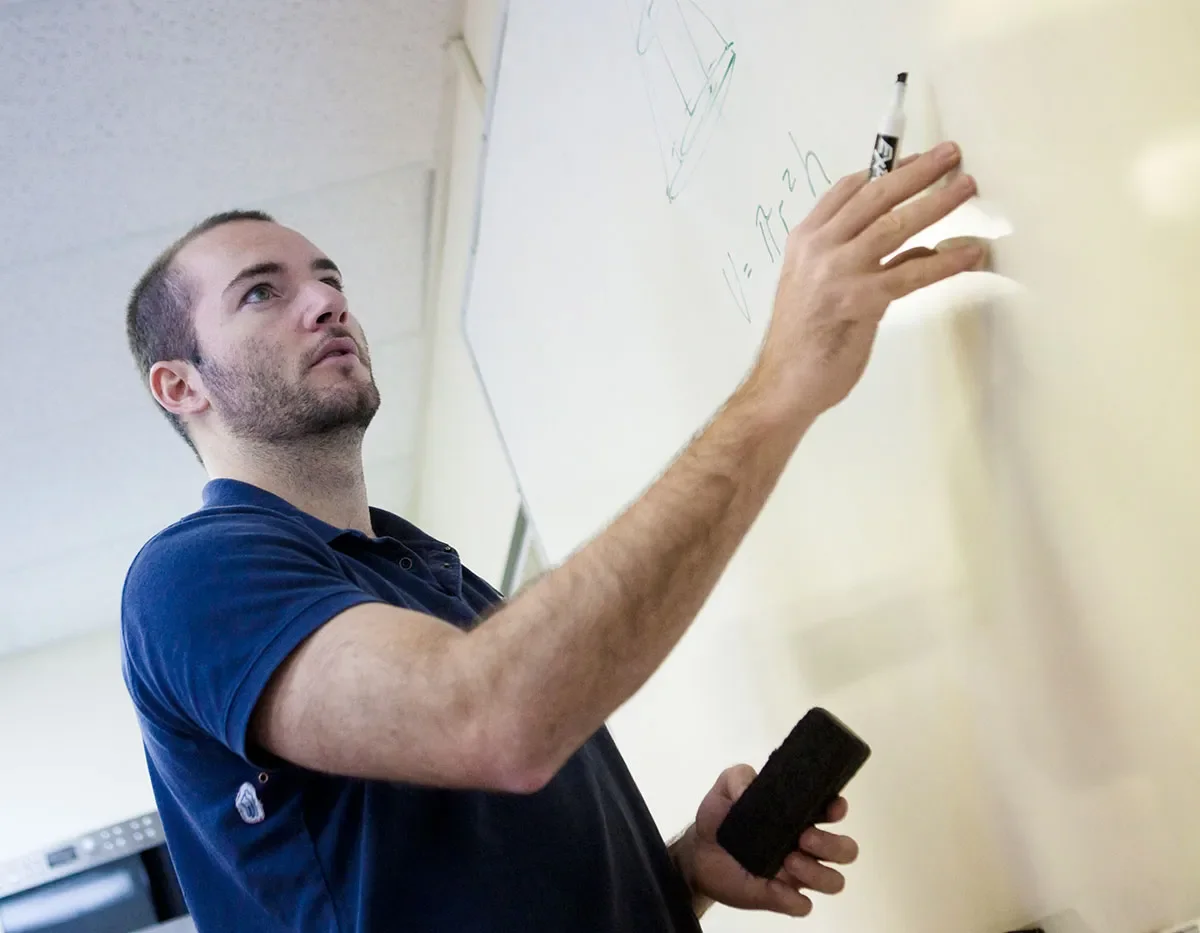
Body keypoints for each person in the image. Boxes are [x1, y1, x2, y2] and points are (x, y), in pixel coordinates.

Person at [120, 141, 981, 931]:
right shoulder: (190, 576)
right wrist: (782, 382)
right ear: (179, 385)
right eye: (262, 292)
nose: (327, 301)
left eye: (329, 277)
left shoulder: (438, 583)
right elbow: (490, 717)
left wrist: (682, 868)